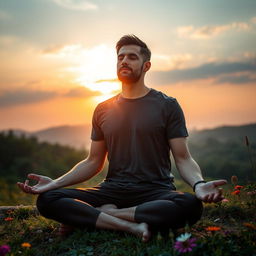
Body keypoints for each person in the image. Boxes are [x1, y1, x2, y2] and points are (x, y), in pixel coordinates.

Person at [17, 35, 227, 242]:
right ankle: (128, 225)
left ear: (146, 66)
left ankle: (97, 216)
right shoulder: (103, 109)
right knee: (48, 200)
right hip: (111, 190)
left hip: (155, 191)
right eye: (120, 57)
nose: (124, 61)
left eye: (132, 57)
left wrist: (199, 184)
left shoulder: (167, 105)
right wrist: (54, 184)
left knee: (190, 205)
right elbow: (93, 161)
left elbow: (183, 158)